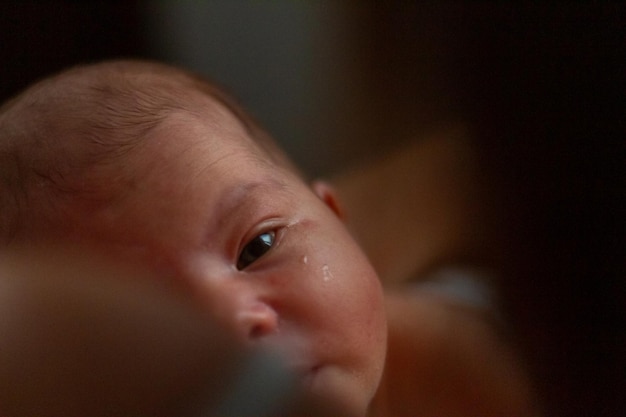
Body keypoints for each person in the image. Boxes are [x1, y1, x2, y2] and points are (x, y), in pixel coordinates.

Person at [0, 60, 534, 416]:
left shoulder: (500, 357)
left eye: (258, 248)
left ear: (337, 217)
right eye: (161, 319)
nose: (235, 324)